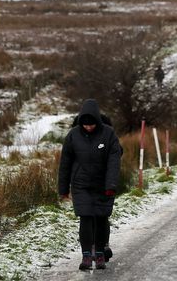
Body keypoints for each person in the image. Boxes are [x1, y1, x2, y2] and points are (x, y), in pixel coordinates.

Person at [58, 99, 122, 271]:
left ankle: (100, 254)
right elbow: (65, 163)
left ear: (97, 121)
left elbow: (114, 161)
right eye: (85, 125)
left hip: (103, 185)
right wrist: (63, 189)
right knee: (85, 217)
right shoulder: (72, 135)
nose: (88, 128)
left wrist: (111, 185)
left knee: (101, 218)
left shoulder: (108, 134)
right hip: (81, 185)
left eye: (92, 125)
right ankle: (86, 256)